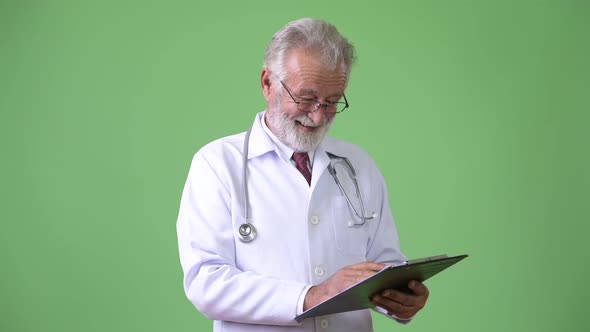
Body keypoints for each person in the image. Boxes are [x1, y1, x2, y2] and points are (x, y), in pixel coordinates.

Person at [176, 18, 429, 332]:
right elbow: (207, 283)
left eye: (333, 100)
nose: (319, 115)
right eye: (306, 98)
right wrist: (313, 295)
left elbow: (384, 263)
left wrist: (401, 299)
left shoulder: (358, 165)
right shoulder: (216, 165)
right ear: (267, 83)